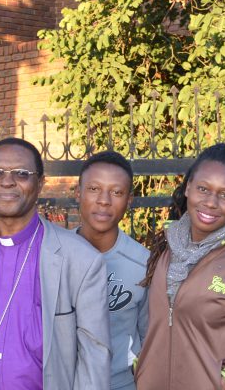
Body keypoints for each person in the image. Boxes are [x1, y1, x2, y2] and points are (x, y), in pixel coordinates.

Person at [0, 138, 109, 389]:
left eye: (21, 173)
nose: (7, 181)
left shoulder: (81, 259)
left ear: (40, 183)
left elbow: (95, 356)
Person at [135, 143, 225, 390]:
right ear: (188, 187)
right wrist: (143, 364)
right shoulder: (166, 246)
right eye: (203, 189)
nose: (211, 202)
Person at [73, 150, 149, 390]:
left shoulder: (143, 264)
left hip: (120, 383)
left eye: (116, 192)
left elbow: (149, 337)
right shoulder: (53, 255)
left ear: (129, 199)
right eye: (94, 188)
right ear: (77, 193)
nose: (104, 200)